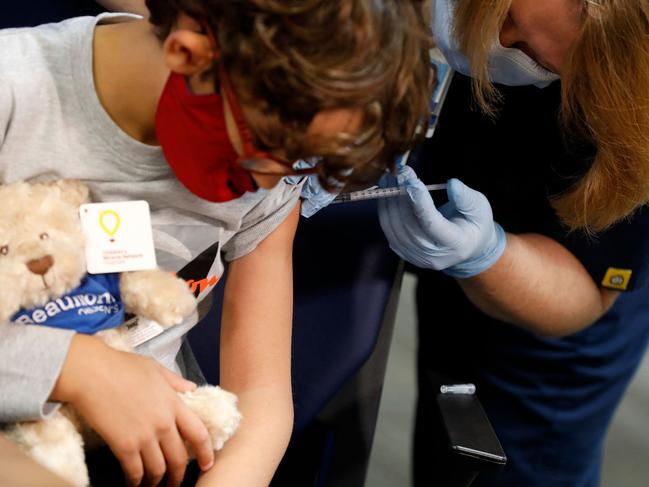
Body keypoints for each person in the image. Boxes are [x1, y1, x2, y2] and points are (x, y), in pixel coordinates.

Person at [0, 2, 432, 486]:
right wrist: (78, 367)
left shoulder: (273, 181)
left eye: (303, 158)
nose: (275, 179)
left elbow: (262, 397)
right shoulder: (14, 92)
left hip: (148, 451)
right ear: (188, 55)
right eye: (269, 145)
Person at [376, 0, 649, 486]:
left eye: (539, 62)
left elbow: (585, 291)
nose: (500, 46)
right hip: (455, 165)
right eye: (508, 20)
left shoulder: (631, 105)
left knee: (483, 461)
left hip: (542, 303)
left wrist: (484, 256)